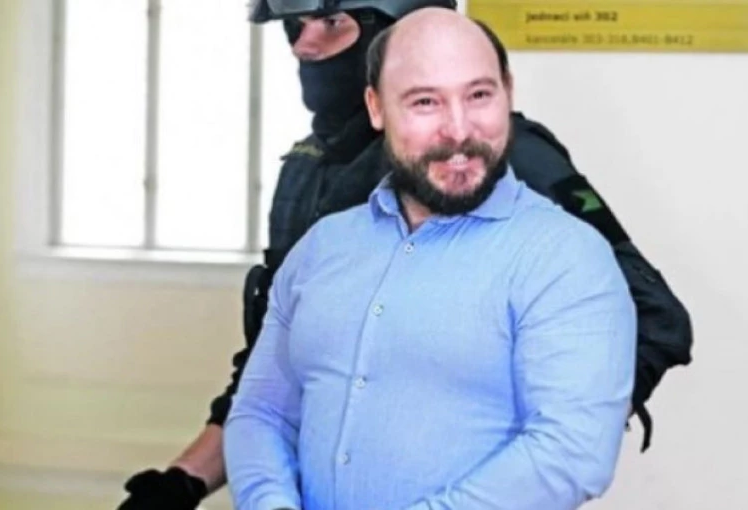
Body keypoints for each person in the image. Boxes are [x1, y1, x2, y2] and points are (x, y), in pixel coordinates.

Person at [118, 0, 693, 508]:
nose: (304, 45)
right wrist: (187, 479)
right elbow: (277, 383)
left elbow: (649, 325)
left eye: (330, 23)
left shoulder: (501, 165)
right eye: (295, 26)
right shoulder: (313, 181)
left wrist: (574, 414)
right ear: (378, 104)